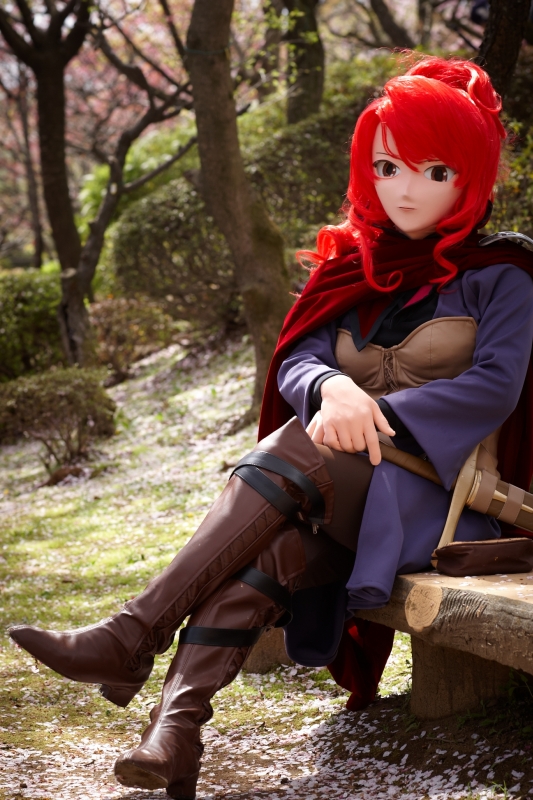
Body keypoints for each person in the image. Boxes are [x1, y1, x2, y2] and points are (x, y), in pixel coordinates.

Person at [9, 54, 533, 799]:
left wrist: (371, 411)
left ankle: (132, 635)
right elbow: (298, 357)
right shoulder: (353, 267)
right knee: (273, 554)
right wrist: (329, 387)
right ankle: (174, 732)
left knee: (298, 444)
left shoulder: (502, 275)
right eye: (387, 167)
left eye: (435, 171)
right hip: (339, 487)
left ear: (469, 177)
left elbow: (494, 388)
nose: (405, 188)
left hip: (442, 502)